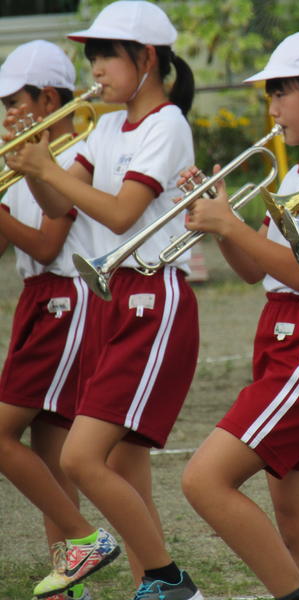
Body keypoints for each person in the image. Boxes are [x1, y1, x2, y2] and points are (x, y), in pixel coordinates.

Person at [6, 2, 203, 599]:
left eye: (106, 56)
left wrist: (48, 169)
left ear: (146, 59)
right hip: (112, 296)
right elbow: (59, 207)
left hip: (153, 295)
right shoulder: (107, 127)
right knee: (119, 465)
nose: (95, 69)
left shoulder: (167, 124)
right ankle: (154, 584)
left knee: (81, 458)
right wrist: (32, 166)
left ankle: (169, 580)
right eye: (91, 57)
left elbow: (120, 213)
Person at [179, 28, 299, 600]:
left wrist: (229, 224)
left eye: (281, 93)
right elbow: (254, 268)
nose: (272, 109)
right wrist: (219, 224)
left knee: (204, 480)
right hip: (288, 337)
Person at [0, 39, 116, 600]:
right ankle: (68, 587)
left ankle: (85, 540)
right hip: (37, 299)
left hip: (66, 299)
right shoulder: (23, 153)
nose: (6, 114)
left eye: (13, 102)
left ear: (48, 99)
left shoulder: (76, 153)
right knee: (48, 456)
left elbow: (48, 244)